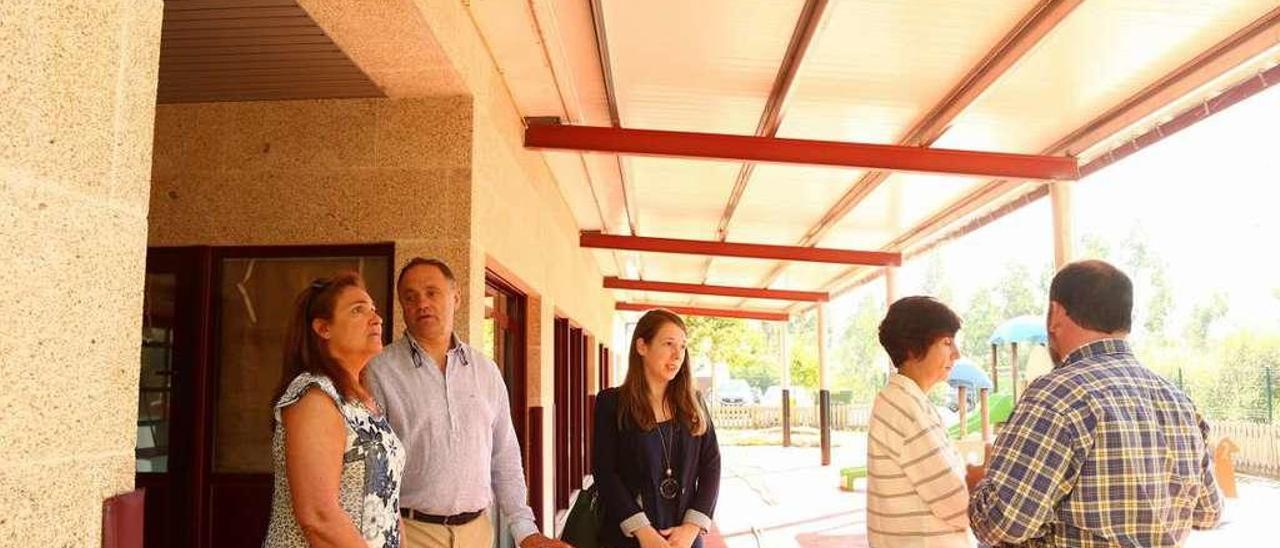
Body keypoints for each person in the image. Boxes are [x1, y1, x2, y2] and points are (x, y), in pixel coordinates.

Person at [969, 260, 1222, 546]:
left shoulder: (1055, 396)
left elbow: (1005, 523)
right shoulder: (1178, 401)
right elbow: (1209, 511)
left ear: (1055, 314)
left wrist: (978, 486)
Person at [367, 258, 567, 548]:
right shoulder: (380, 371)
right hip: (410, 532)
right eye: (410, 297)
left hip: (478, 533)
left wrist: (525, 530)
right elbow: (371, 467)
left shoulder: (486, 371)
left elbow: (505, 455)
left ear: (456, 297)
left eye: (432, 292)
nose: (422, 303)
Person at [264, 272, 406, 548]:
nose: (376, 319)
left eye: (374, 310)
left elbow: (388, 504)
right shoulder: (315, 397)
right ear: (323, 328)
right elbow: (318, 517)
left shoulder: (362, 400)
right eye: (358, 310)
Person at [593, 309, 720, 548]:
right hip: (628, 538)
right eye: (669, 344)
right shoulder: (612, 403)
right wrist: (643, 531)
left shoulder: (694, 403)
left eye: (682, 346)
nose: (677, 355)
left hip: (684, 539)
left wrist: (691, 528)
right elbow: (605, 472)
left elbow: (711, 464)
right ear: (642, 346)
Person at [866, 296, 977, 547]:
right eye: (947, 342)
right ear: (913, 349)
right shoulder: (906, 408)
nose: (956, 354)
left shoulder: (906, 400)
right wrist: (980, 478)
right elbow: (954, 503)